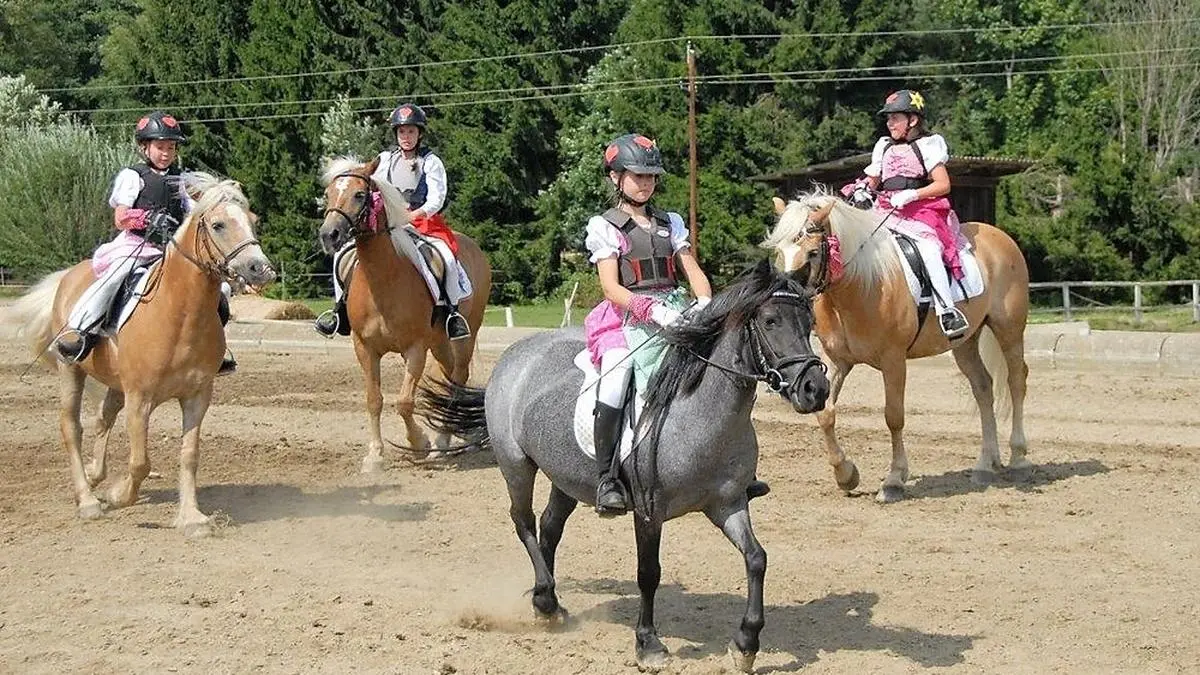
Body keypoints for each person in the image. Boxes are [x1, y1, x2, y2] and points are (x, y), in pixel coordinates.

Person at [582, 133, 769, 516]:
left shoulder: (671, 223)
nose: (646, 183)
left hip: (675, 308)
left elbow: (692, 270)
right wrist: (650, 311)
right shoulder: (605, 226)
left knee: (721, 370)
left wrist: (703, 302)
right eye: (637, 176)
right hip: (624, 316)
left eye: (651, 177)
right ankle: (607, 479)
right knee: (617, 380)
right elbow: (610, 288)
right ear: (616, 178)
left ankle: (734, 468)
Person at [53, 111, 237, 373]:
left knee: (220, 290)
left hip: (172, 252)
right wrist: (147, 218)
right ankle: (82, 332)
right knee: (114, 278)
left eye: (171, 148)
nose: (166, 153)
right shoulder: (133, 176)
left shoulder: (178, 179)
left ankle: (212, 349)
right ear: (144, 147)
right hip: (136, 247)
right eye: (160, 147)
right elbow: (120, 217)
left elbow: (191, 209)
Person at [314, 102, 470, 340]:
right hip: (387, 224)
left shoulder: (431, 162)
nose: (406, 137)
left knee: (445, 257)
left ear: (419, 133)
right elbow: (366, 183)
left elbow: (437, 198)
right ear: (396, 134)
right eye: (402, 131)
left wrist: (414, 215)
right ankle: (338, 311)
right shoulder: (385, 159)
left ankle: (451, 314)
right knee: (342, 255)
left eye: (411, 131)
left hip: (422, 223)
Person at [843, 89, 970, 339]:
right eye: (888, 119)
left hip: (920, 211)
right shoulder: (884, 146)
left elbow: (943, 184)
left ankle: (947, 311)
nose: (889, 123)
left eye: (894, 118)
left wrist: (913, 194)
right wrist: (862, 189)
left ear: (912, 120)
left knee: (930, 250)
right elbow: (873, 178)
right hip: (885, 209)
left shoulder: (928, 145)